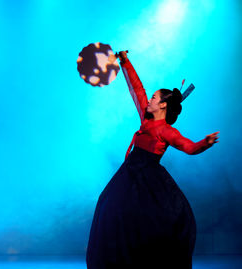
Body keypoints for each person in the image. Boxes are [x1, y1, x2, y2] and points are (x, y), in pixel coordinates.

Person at [86, 51, 219, 269]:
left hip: (148, 178)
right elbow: (136, 89)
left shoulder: (167, 131)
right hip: (129, 172)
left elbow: (189, 147)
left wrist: (204, 142)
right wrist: (125, 61)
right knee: (108, 206)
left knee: (152, 220)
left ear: (164, 105)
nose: (150, 100)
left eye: (154, 98)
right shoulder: (146, 119)